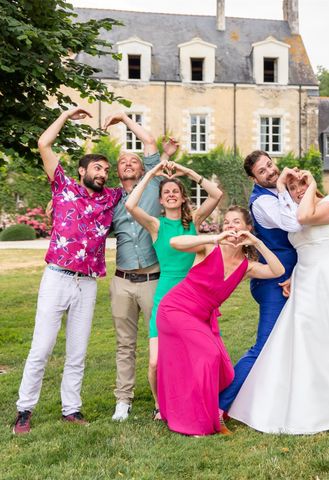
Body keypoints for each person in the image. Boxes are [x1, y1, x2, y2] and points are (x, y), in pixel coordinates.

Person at [228, 169, 329, 434]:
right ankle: (314, 398)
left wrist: (309, 183)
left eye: (301, 185)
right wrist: (294, 277)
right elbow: (301, 235)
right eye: (293, 187)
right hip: (306, 279)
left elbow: (305, 218)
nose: (298, 190)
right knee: (308, 338)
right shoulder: (294, 216)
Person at [12, 108, 122, 434]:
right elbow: (44, 143)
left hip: (87, 283)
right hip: (57, 276)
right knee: (41, 347)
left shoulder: (111, 198)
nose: (103, 173)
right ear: (82, 170)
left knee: (78, 350)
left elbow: (138, 181)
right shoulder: (63, 187)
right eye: (97, 168)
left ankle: (71, 409)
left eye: (106, 169)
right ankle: (24, 409)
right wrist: (65, 114)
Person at [156, 207, 285, 436]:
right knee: (209, 355)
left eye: (236, 222)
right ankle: (196, 421)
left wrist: (257, 243)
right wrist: (214, 237)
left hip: (200, 318)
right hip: (175, 308)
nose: (230, 226)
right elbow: (175, 242)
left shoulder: (247, 267)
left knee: (222, 369)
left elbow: (278, 270)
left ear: (247, 229)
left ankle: (192, 409)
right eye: (226, 222)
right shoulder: (209, 247)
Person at [125, 158, 222, 419]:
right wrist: (153, 172)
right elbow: (130, 205)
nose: (170, 195)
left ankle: (197, 397)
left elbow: (216, 194)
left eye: (175, 192)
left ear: (181, 198)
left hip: (193, 295)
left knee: (194, 354)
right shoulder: (156, 225)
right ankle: (160, 404)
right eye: (166, 192)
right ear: (160, 200)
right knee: (156, 362)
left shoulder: (194, 222)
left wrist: (187, 171)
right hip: (166, 294)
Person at [101, 112, 178, 422]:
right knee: (124, 343)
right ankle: (124, 400)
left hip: (152, 279)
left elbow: (148, 141)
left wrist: (122, 119)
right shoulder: (111, 199)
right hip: (121, 280)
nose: (129, 164)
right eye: (123, 162)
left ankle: (164, 398)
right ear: (118, 171)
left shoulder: (153, 184)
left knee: (160, 341)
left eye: (133, 160)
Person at [218, 151, 299, 412]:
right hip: (274, 281)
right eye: (262, 171)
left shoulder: (279, 190)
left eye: (270, 165)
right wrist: (283, 188)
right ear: (254, 178)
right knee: (264, 345)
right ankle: (219, 404)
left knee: (293, 339)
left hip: (292, 275)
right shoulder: (262, 202)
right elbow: (293, 223)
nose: (270, 171)